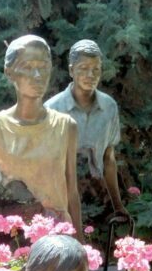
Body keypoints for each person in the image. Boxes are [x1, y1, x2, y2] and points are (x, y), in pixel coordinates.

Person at [0, 35, 84, 241]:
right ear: (9, 72)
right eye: (27, 66)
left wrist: (80, 248)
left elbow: (71, 191)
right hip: (11, 237)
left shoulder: (65, 126)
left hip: (57, 240)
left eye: (43, 66)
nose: (37, 74)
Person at [45, 39, 129, 222]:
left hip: (99, 201)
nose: (90, 75)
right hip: (62, 203)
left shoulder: (109, 107)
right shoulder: (52, 109)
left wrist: (118, 206)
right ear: (71, 70)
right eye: (83, 68)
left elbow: (108, 158)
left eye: (96, 69)